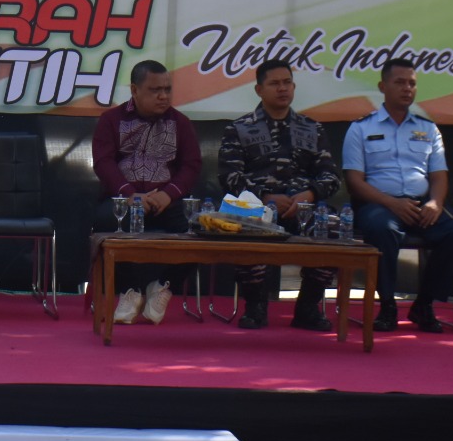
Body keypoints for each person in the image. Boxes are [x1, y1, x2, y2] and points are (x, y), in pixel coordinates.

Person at [342, 57, 453, 332]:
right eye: (400, 82)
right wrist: (391, 203)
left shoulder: (429, 129)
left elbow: (438, 176)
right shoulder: (361, 128)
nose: (407, 88)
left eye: (412, 83)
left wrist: (436, 203)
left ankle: (424, 305)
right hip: (379, 203)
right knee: (382, 229)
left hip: (421, 204)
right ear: (382, 86)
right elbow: (354, 181)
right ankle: (387, 305)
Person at [218, 58, 341, 331]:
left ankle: (308, 306)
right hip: (258, 208)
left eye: (287, 83)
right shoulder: (238, 128)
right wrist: (265, 196)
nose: (282, 89)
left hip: (303, 209)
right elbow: (229, 177)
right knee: (241, 225)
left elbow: (331, 178)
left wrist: (309, 194)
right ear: (259, 90)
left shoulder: (312, 128)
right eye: (274, 83)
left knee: (333, 228)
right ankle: (256, 306)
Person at [92, 60, 202, 325]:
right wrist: (130, 194)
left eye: (167, 89)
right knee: (109, 221)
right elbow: (103, 162)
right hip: (125, 199)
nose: (163, 96)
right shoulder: (112, 120)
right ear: (134, 90)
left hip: (166, 200)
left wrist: (169, 194)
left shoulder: (180, 122)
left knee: (199, 232)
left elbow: (191, 164)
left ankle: (163, 285)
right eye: (155, 90)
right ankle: (130, 292)